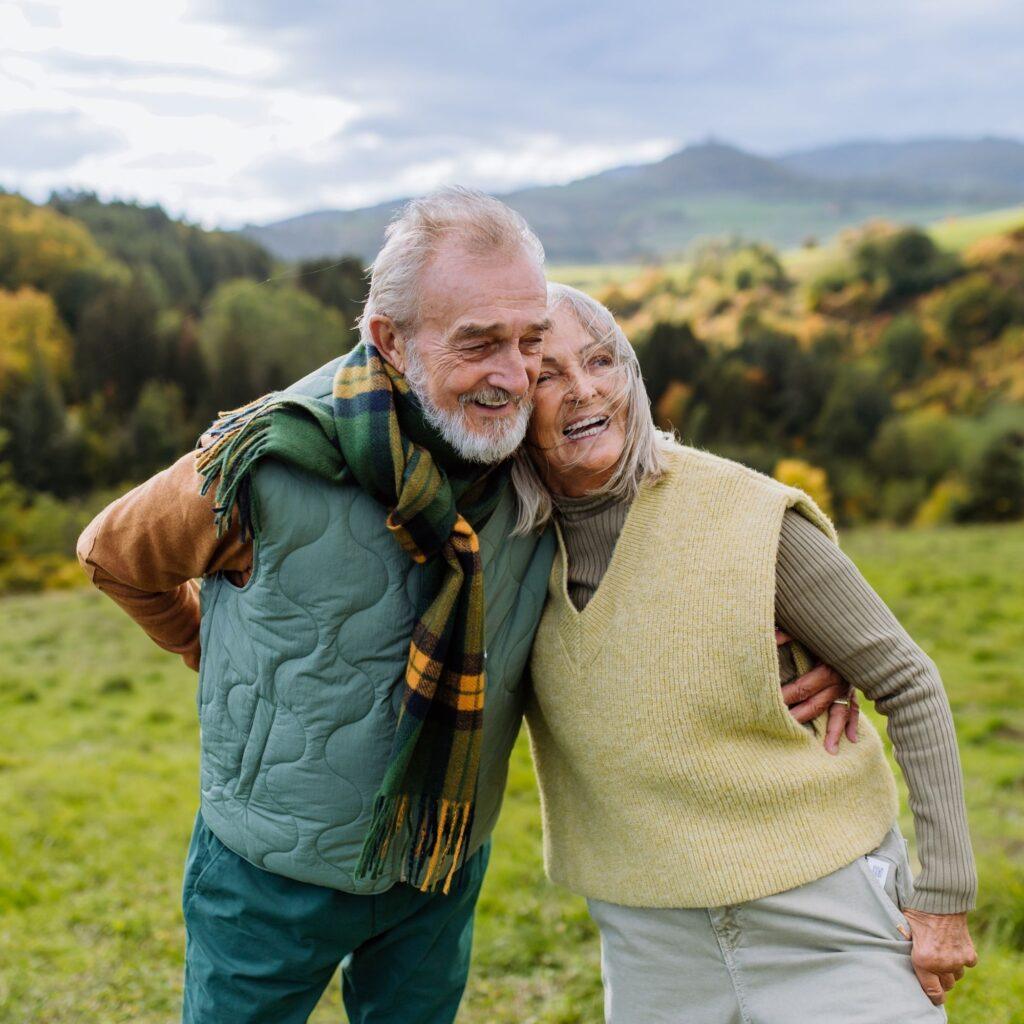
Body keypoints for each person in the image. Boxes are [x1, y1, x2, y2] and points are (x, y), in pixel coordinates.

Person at [77, 189, 850, 1024]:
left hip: (437, 863)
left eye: (529, 340)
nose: (514, 376)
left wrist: (803, 640)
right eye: (479, 343)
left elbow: (657, 530)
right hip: (268, 875)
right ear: (390, 340)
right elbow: (112, 556)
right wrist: (201, 643)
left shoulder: (531, 456)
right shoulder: (267, 459)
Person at [516, 283, 979, 1024]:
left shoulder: (749, 518)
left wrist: (945, 898)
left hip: (824, 918)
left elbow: (909, 683)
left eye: (601, 360)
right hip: (650, 947)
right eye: (546, 375)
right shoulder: (504, 546)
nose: (584, 389)